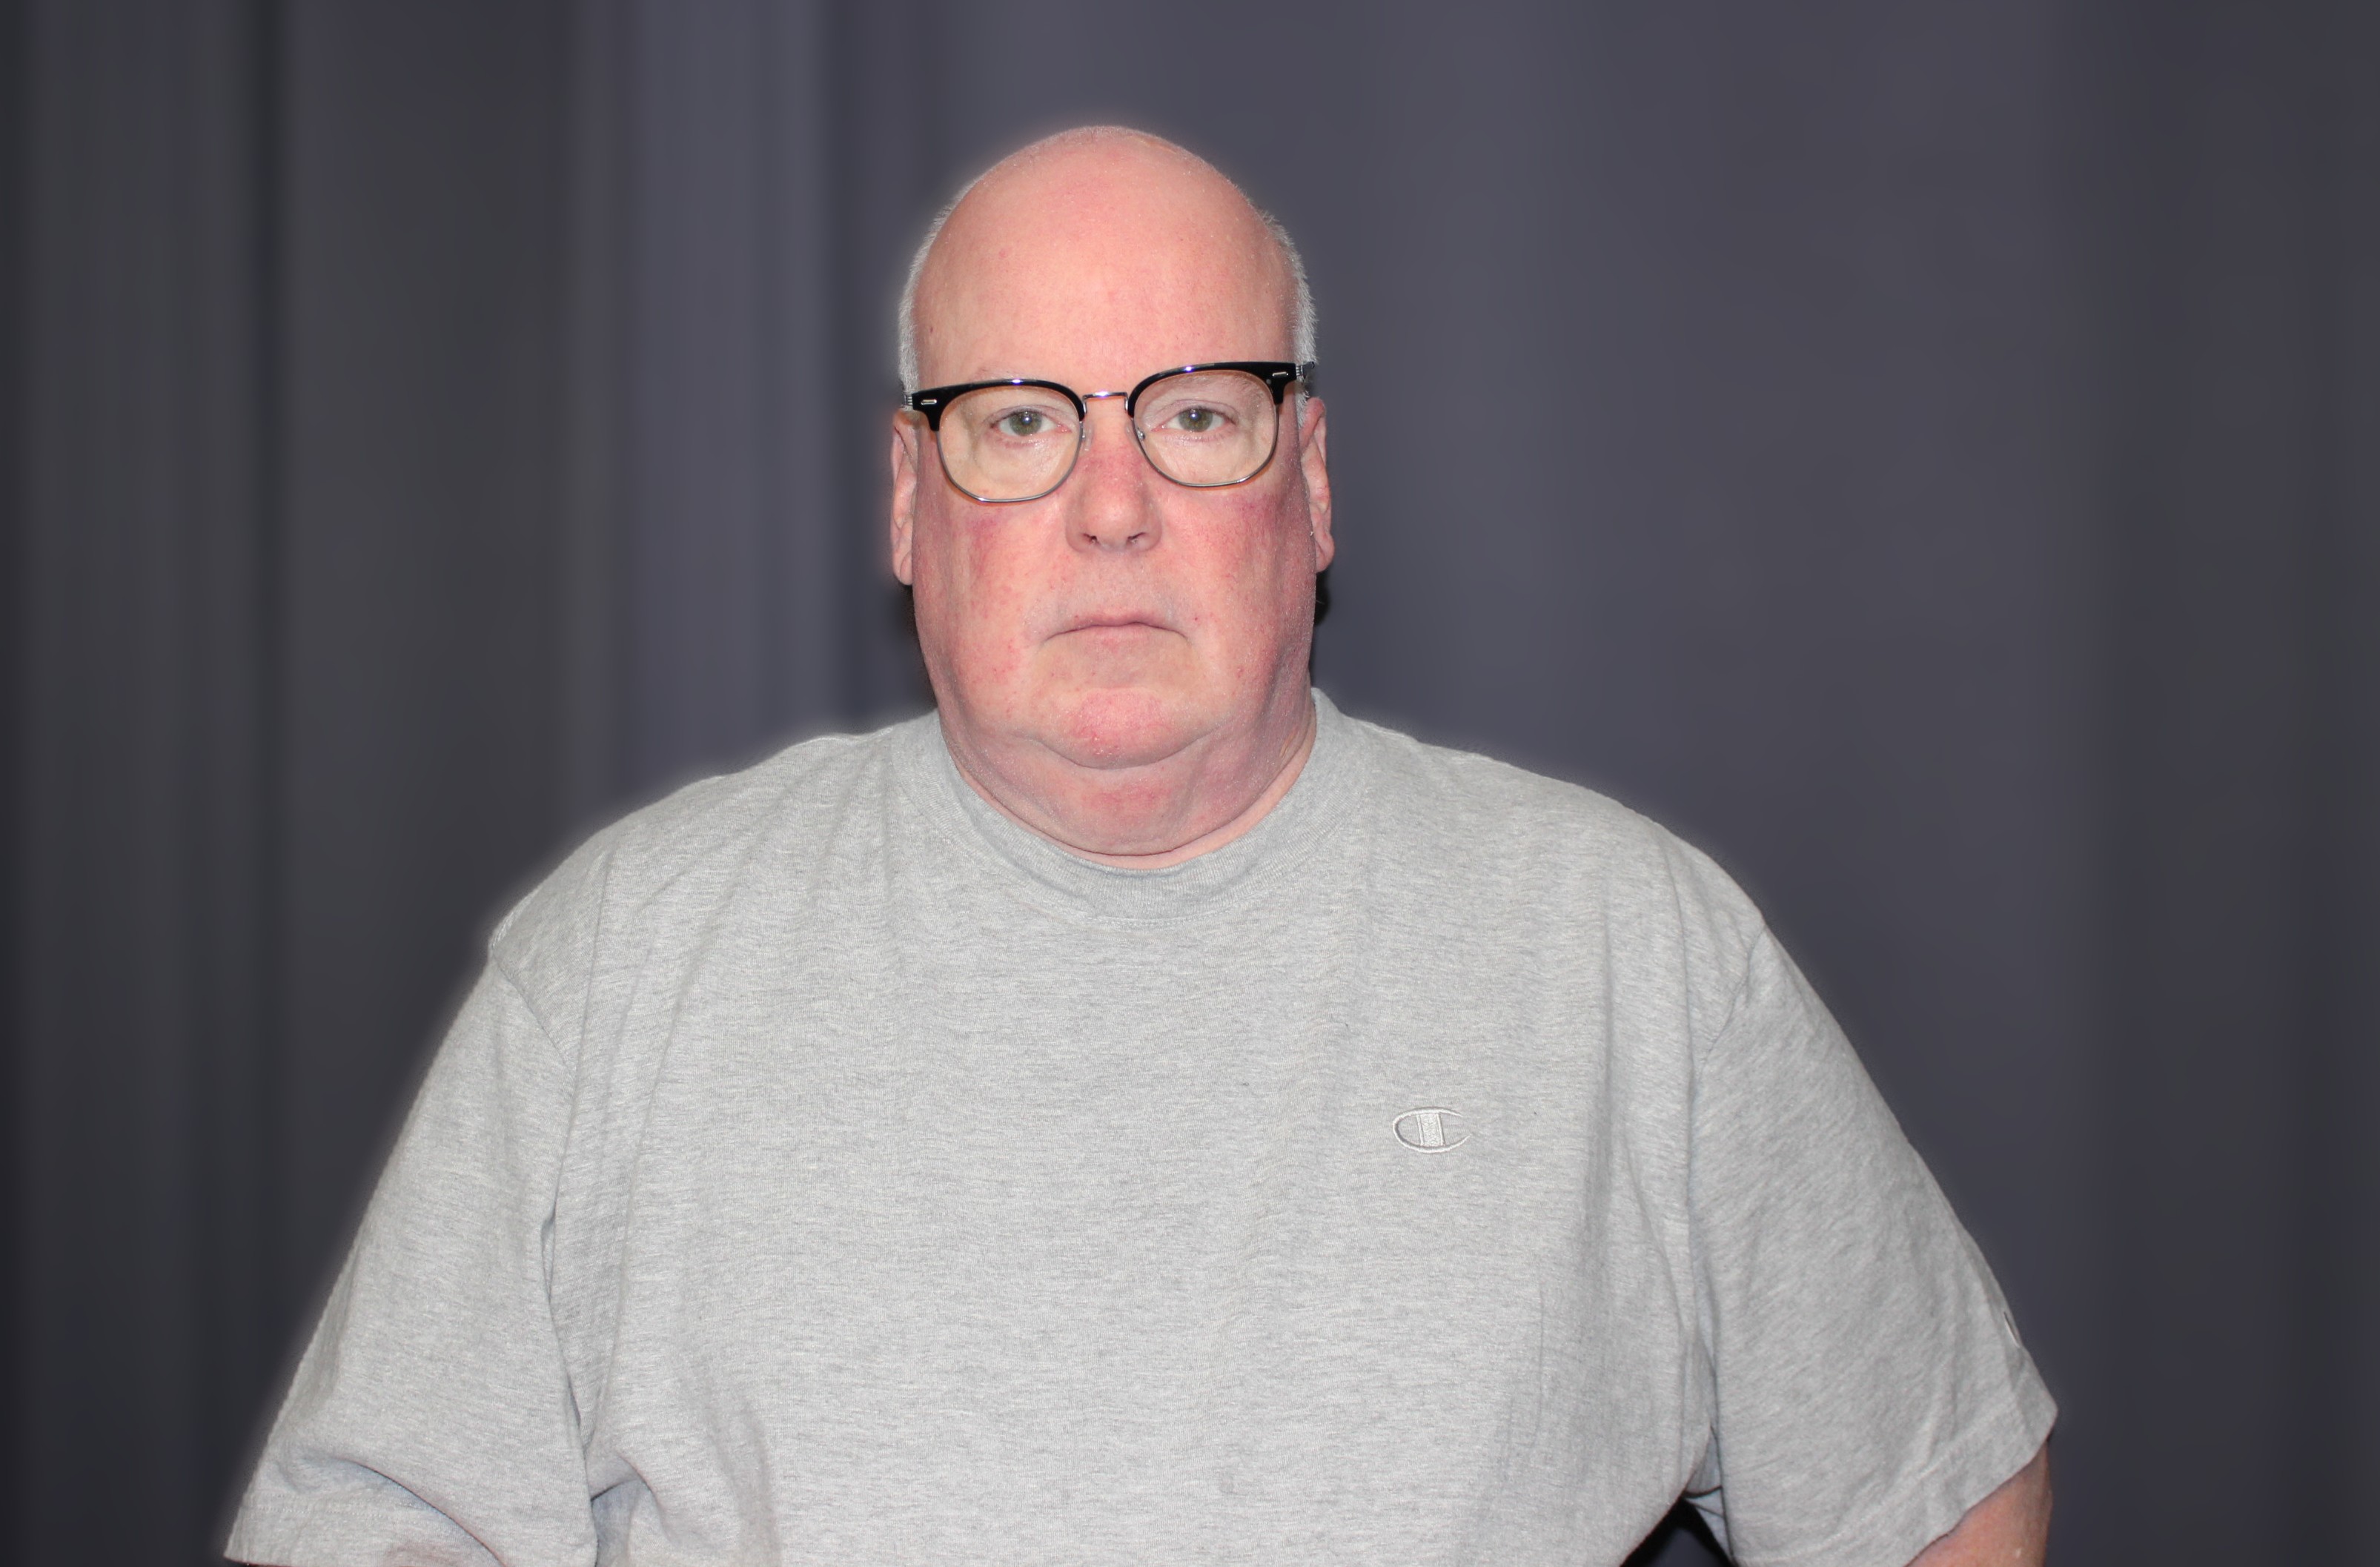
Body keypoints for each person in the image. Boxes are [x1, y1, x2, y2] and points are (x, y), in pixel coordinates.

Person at [227, 127, 2054, 1566]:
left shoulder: (1623, 953)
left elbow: (1935, 1495)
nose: (1111, 506)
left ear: (1311, 481)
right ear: (906, 501)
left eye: (1194, 416)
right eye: (1017, 421)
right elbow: (377, 1525)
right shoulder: (622, 965)